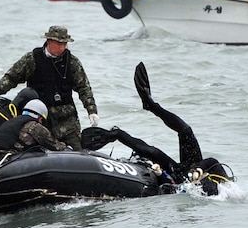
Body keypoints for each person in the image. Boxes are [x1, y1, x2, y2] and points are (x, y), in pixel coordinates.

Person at [83, 62, 231, 196]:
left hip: (179, 177)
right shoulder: (224, 184)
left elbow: (172, 189)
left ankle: (116, 134)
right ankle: (151, 105)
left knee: (153, 152)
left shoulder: (196, 191)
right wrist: (198, 168)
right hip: (193, 165)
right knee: (186, 131)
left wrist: (163, 176)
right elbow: (212, 161)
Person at [0, 25, 99, 150]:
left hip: (67, 122)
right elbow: (11, 78)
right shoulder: (32, 59)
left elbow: (84, 88)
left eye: (64, 44)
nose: (62, 47)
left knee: (78, 153)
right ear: (49, 41)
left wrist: (92, 111)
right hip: (39, 122)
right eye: (59, 43)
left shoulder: (72, 62)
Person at [0, 99, 67, 169]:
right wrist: (69, 149)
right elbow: (56, 146)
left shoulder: (12, 122)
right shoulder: (34, 126)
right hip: (5, 160)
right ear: (41, 119)